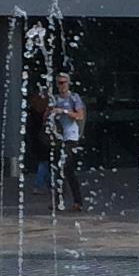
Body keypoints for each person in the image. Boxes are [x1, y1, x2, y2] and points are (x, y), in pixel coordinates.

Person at [50, 67, 88, 210]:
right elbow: (46, 116)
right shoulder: (54, 99)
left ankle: (74, 201)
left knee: (65, 167)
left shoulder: (74, 98)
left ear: (69, 83)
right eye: (60, 83)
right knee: (63, 170)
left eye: (64, 82)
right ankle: (62, 200)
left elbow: (80, 115)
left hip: (71, 137)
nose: (62, 85)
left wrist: (64, 111)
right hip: (59, 137)